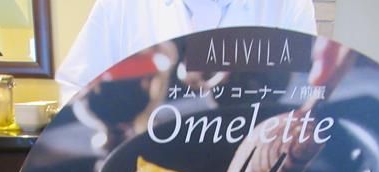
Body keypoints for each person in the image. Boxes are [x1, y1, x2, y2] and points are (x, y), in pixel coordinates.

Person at [56, 0, 318, 104]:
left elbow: (305, 90)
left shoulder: (288, 4)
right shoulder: (122, 5)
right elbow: (74, 87)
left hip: (255, 155)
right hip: (145, 164)